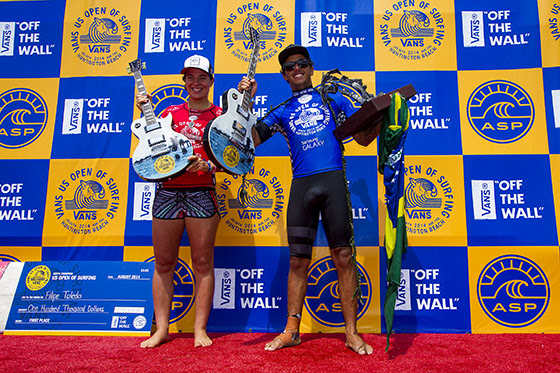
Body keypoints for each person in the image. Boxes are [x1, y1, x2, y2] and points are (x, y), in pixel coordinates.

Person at [238, 45, 373, 355]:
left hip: (333, 181)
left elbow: (365, 135)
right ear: (284, 76)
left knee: (343, 256)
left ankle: (351, 332)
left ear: (312, 68)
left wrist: (385, 114)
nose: (296, 69)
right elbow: (250, 140)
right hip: (302, 187)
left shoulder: (333, 98)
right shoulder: (281, 109)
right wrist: (248, 101)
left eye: (301, 64)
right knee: (298, 261)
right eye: (289, 67)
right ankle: (292, 330)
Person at [137, 54, 222, 348]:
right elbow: (150, 148)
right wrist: (145, 112)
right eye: (190, 77)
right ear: (184, 81)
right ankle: (162, 330)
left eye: (202, 77)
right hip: (168, 192)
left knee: (202, 263)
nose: (195, 83)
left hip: (202, 193)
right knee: (163, 262)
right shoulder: (171, 112)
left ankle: (200, 330)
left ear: (211, 81)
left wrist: (208, 166)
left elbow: (233, 160)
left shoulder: (222, 116)